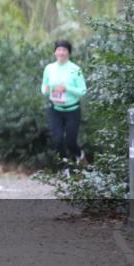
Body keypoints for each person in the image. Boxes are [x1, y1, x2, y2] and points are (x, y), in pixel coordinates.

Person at [41, 40, 87, 174]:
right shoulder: (49, 68)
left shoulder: (75, 69)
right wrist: (47, 89)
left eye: (64, 50)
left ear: (69, 53)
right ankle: (65, 167)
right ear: (55, 52)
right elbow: (44, 87)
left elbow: (82, 91)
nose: (61, 52)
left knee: (71, 142)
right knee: (58, 139)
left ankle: (81, 157)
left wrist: (66, 88)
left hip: (72, 110)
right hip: (55, 110)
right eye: (58, 50)